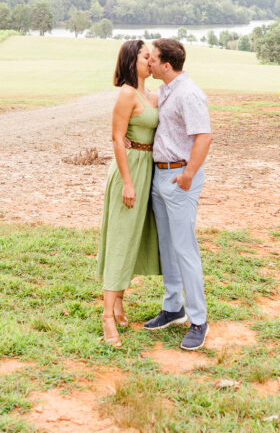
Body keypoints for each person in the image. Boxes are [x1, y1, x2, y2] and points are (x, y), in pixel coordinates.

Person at [144, 37, 212, 351]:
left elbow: (204, 137)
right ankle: (173, 307)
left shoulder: (188, 93)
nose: (150, 63)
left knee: (185, 248)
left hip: (180, 177)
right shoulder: (167, 89)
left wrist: (187, 175)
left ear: (167, 65)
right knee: (167, 246)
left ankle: (199, 321)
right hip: (161, 174)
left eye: (153, 59)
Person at [97, 39, 161, 347]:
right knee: (121, 239)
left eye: (152, 57)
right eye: (146, 57)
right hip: (129, 171)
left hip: (147, 170)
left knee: (133, 238)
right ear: (131, 61)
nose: (151, 61)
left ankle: (120, 302)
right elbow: (116, 138)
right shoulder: (127, 94)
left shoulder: (150, 95)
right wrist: (128, 182)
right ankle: (107, 316)